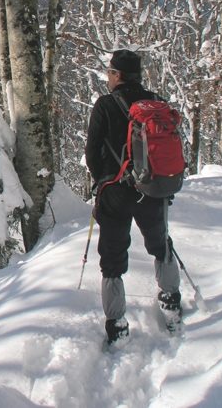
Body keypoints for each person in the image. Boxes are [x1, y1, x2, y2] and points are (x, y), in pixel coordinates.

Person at [85, 49, 181, 345]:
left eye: (110, 72)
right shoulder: (157, 103)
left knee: (112, 257)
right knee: (159, 242)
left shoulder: (104, 105)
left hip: (115, 190)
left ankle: (117, 323)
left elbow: (92, 153)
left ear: (117, 75)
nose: (108, 77)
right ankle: (170, 299)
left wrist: (103, 179)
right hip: (151, 187)